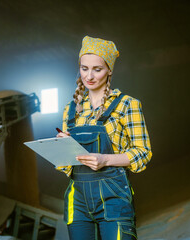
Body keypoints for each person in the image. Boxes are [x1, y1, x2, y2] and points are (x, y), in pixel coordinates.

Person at [56, 36, 152, 240]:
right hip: (78, 200)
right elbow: (66, 167)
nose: (89, 76)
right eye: (84, 68)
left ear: (109, 70)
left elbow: (142, 153)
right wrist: (62, 147)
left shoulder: (127, 105)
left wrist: (105, 160)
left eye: (97, 69)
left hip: (114, 197)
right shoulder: (70, 109)